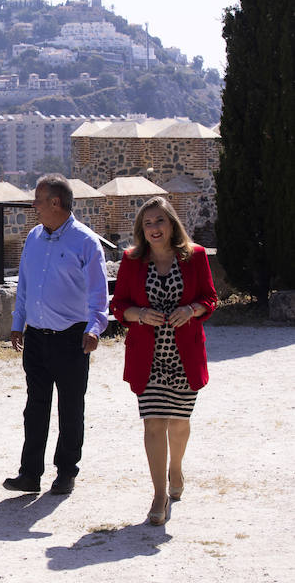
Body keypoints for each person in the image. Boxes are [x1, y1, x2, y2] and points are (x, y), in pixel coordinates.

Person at [110, 196, 217, 525]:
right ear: (142, 230)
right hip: (149, 358)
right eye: (148, 223)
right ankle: (158, 494)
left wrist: (192, 309)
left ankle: (175, 468)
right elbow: (119, 306)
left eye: (159, 221)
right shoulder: (131, 260)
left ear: (172, 224)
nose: (154, 228)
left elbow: (210, 298)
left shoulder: (195, 256)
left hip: (184, 357)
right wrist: (140, 314)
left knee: (179, 423)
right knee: (154, 424)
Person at [4, 173, 109, 496]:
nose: (33, 205)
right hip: (36, 337)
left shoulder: (86, 242)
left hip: (71, 337)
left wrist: (94, 329)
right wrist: (18, 322)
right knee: (35, 406)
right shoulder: (34, 237)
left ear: (55, 202)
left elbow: (99, 294)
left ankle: (66, 471)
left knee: (70, 407)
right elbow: (24, 284)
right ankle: (30, 473)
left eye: (38, 199)